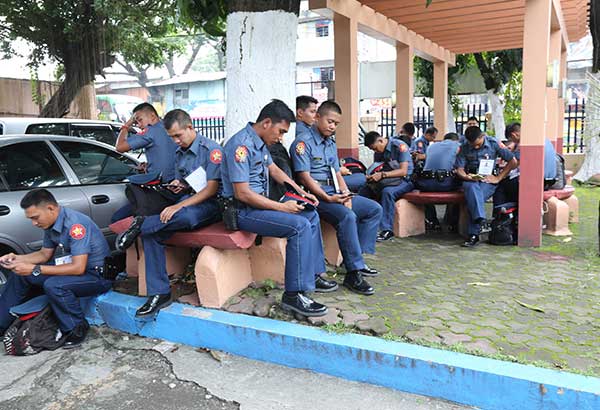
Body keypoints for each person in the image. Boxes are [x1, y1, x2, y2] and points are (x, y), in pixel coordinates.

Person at [221, 99, 329, 317]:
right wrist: (283, 208)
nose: (280, 138)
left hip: (260, 205)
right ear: (266, 123)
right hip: (243, 211)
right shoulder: (240, 146)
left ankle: (312, 276)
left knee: (310, 214)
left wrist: (301, 191)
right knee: (298, 226)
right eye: (280, 132)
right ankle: (293, 295)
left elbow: (274, 170)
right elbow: (242, 193)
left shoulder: (260, 143)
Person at [116, 109, 224, 317]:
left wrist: (178, 206)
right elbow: (185, 180)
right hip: (186, 199)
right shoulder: (179, 152)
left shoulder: (211, 150)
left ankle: (139, 225)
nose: (175, 141)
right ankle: (159, 293)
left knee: (186, 216)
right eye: (171, 137)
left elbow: (210, 189)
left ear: (190, 128)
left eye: (178, 135)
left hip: (211, 205)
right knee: (152, 232)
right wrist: (179, 185)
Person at [290, 101, 382, 295]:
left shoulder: (330, 142)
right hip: (315, 196)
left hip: (334, 193)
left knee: (374, 209)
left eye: (336, 124)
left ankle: (358, 259)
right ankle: (353, 273)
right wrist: (328, 198)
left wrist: (345, 193)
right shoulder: (302, 143)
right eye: (330, 121)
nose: (332, 126)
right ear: (317, 118)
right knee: (347, 217)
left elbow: (336, 172)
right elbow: (304, 177)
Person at [0, 189, 113, 348]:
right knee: (19, 273)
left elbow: (78, 268)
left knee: (54, 285)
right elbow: (44, 254)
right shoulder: (50, 224)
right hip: (76, 271)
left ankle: (76, 327)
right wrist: (16, 258)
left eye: (35, 217)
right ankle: (2, 323)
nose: (34, 223)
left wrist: (35, 269)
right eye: (30, 219)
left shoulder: (75, 225)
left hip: (96, 276)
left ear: (51, 209)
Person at [112, 102, 179, 222]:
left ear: (153, 116)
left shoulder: (150, 131)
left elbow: (120, 147)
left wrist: (127, 125)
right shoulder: (169, 128)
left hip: (161, 191)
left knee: (118, 219)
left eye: (139, 120)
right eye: (136, 122)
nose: (139, 125)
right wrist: (148, 167)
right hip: (177, 186)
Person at [456, 126, 517, 247]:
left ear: (482, 136)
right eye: (472, 145)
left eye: (477, 144)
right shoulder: (464, 147)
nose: (475, 147)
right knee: (471, 190)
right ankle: (479, 221)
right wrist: (466, 176)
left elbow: (513, 161)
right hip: (471, 179)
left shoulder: (494, 143)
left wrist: (499, 177)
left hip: (488, 180)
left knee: (473, 198)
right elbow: (459, 169)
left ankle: (473, 235)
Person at [360, 131, 414, 242]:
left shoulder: (399, 146)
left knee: (387, 192)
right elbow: (378, 167)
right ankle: (359, 223)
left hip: (405, 180)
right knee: (365, 190)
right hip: (388, 179)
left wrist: (382, 175)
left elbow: (403, 171)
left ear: (381, 140)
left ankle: (387, 230)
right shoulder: (379, 152)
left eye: (375, 148)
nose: (375, 151)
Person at [493, 122, 558, 207]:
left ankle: (500, 212)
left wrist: (499, 177)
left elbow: (514, 163)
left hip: (536, 182)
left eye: (512, 140)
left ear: (514, 135)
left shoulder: (525, 142)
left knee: (500, 184)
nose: (514, 142)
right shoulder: (543, 139)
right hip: (549, 180)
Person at [414, 132, 461, 229]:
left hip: (425, 184)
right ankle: (453, 222)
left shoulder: (432, 146)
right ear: (456, 140)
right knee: (463, 186)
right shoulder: (458, 146)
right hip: (445, 185)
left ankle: (432, 220)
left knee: (426, 188)